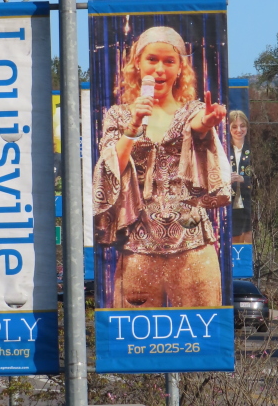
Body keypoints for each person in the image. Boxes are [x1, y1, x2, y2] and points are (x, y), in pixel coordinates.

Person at [92, 26, 230, 309]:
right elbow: (110, 169)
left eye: (169, 61)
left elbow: (198, 126)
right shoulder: (118, 115)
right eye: (152, 59)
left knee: (200, 328)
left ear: (180, 69)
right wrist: (133, 127)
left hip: (192, 240)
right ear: (137, 64)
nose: (160, 69)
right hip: (138, 245)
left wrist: (207, 123)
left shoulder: (191, 111)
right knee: (135, 330)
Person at [228, 109, 252, 243]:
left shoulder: (253, 149)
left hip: (249, 206)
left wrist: (244, 180)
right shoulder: (223, 150)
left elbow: (265, 179)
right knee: (234, 245)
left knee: (248, 244)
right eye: (234, 126)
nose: (239, 130)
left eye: (242, 126)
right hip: (230, 207)